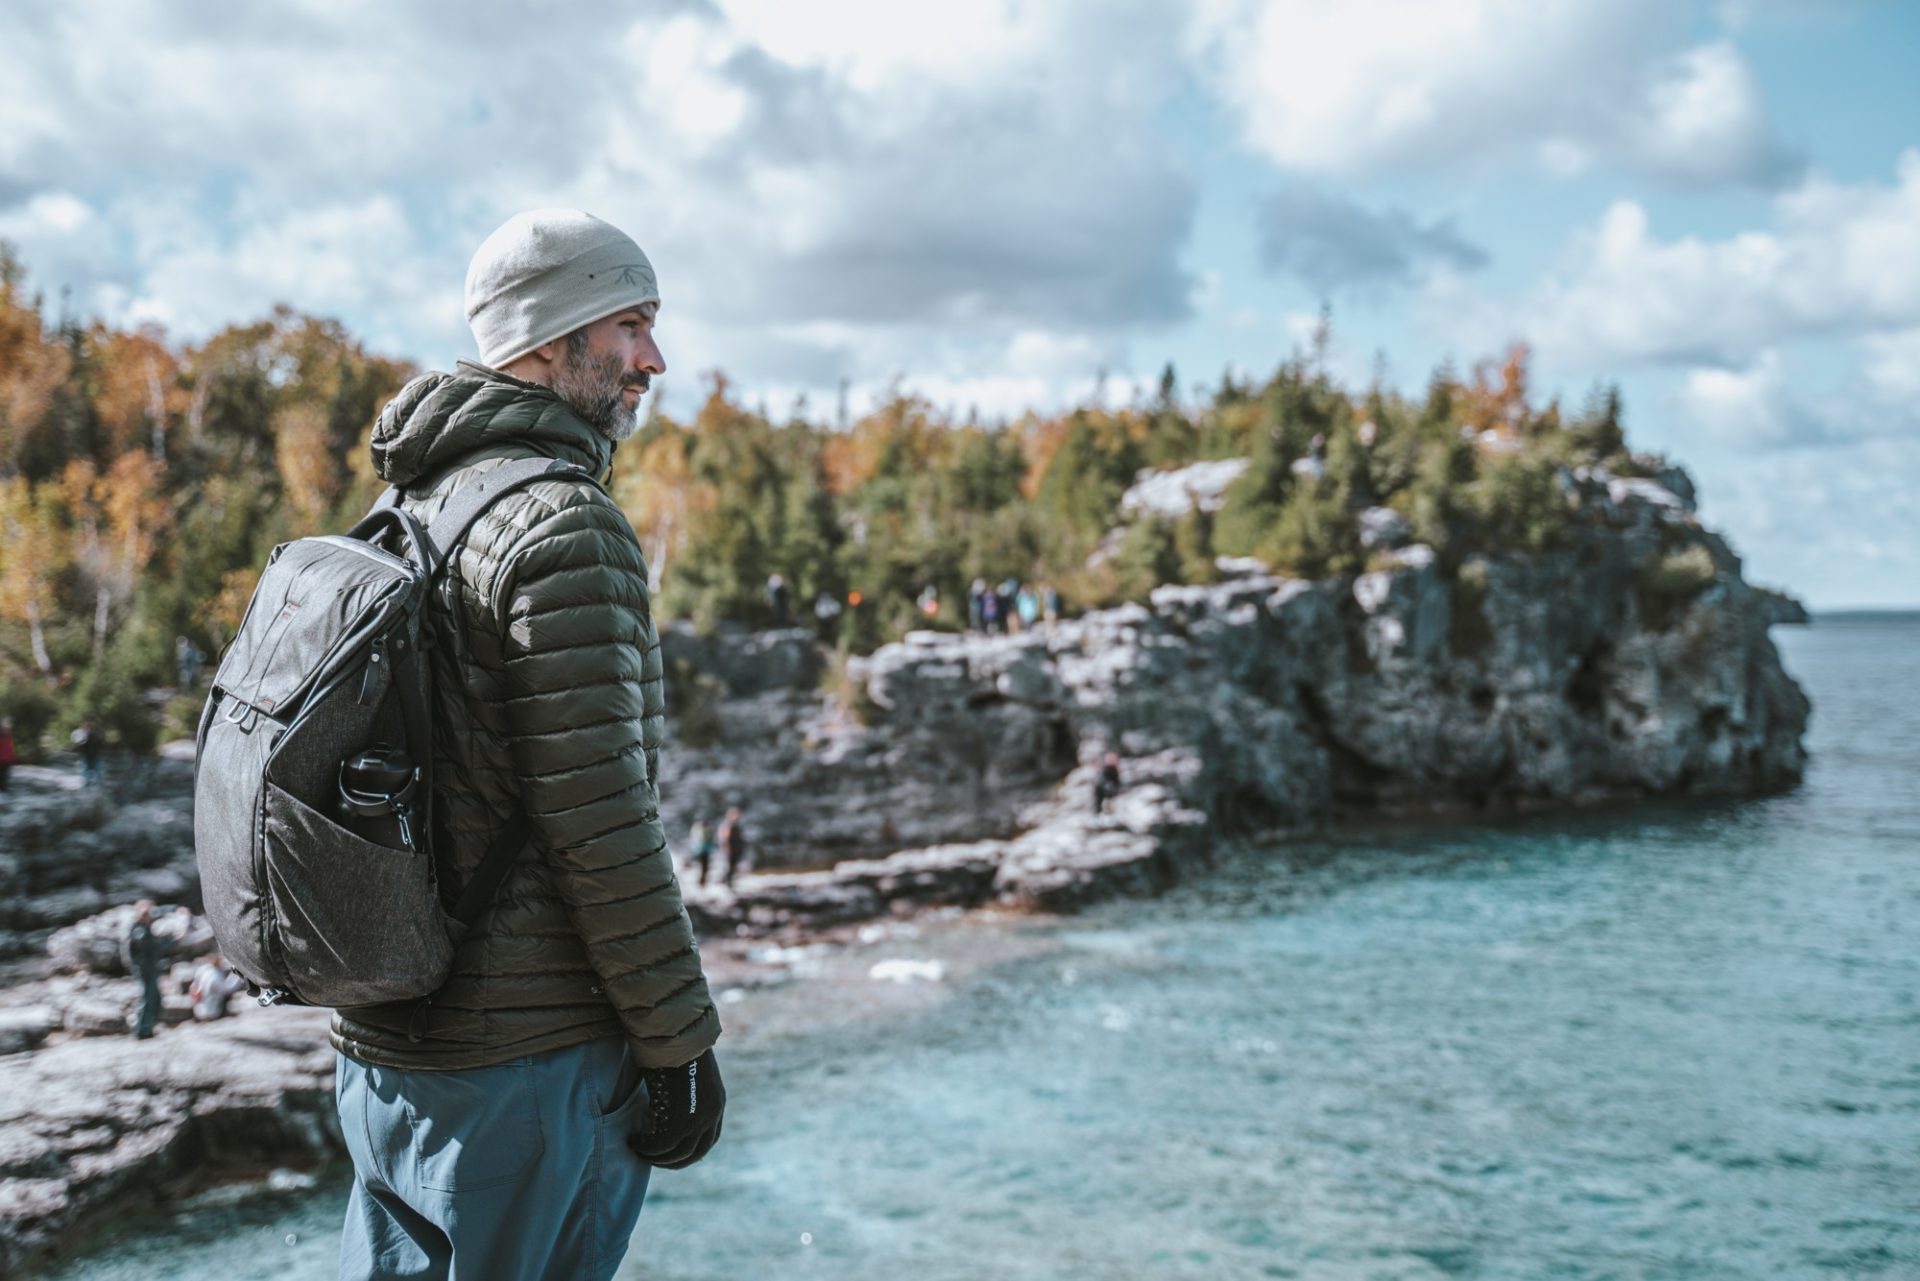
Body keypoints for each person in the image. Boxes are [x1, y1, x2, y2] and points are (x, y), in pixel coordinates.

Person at [329, 209, 723, 1281]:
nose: (655, 359)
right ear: (551, 339)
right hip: (526, 1067)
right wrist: (682, 1043)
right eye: (631, 325)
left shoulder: (410, 502)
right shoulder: (562, 523)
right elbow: (600, 823)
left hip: (385, 1052)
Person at [121, 900, 168, 1040]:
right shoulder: (139, 929)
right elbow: (144, 944)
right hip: (145, 970)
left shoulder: (143, 927)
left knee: (154, 998)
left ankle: (148, 1028)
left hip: (149, 969)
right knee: (147, 999)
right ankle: (141, 1030)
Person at [189, 953, 247, 1022]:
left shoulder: (202, 971)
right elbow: (227, 990)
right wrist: (238, 974)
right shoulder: (214, 975)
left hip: (198, 1010)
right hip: (210, 1011)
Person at [716, 806, 749, 889]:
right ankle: (727, 882)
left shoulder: (736, 825)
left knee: (733, 866)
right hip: (730, 850)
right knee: (730, 866)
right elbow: (724, 839)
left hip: (736, 850)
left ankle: (727, 881)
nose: (736, 816)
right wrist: (727, 849)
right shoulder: (727, 825)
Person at [71, 720, 103, 788]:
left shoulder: (95, 735)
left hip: (94, 756)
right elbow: (77, 746)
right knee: (85, 773)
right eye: (85, 727)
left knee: (98, 772)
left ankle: (99, 787)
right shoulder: (80, 736)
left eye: (88, 727)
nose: (87, 729)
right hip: (85, 756)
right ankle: (86, 787)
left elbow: (99, 744)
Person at [689, 817, 716, 887]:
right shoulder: (702, 830)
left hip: (702, 850)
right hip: (702, 850)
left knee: (703, 866)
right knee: (703, 865)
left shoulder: (698, 830)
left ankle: (702, 879)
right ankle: (701, 880)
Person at [1093, 752, 1122, 816]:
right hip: (1102, 790)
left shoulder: (1114, 769)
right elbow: (1102, 781)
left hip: (1109, 789)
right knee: (1100, 803)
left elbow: (1117, 781)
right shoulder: (1106, 770)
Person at [0, 717, 15, 791]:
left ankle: (4, 789)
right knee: (2, 776)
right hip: (2, 760)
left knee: (6, 776)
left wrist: (13, 757)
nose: (7, 729)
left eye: (8, 728)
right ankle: (3, 789)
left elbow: (10, 749)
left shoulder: (9, 737)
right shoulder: (1, 737)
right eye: (5, 728)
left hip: (8, 760)